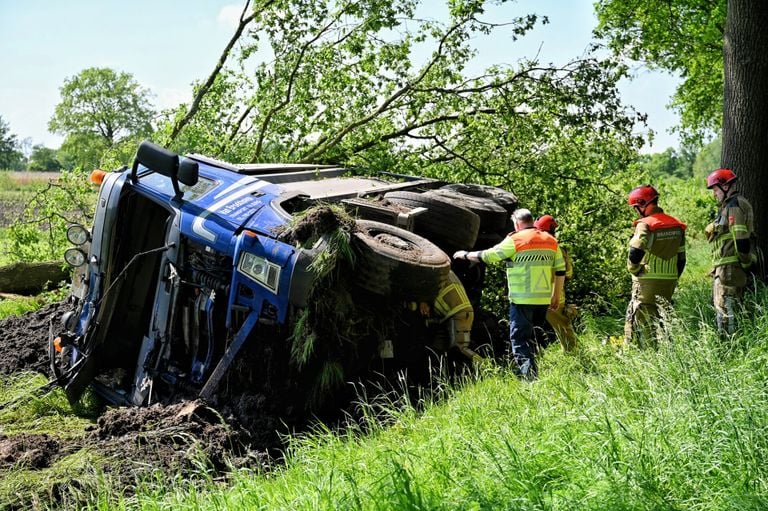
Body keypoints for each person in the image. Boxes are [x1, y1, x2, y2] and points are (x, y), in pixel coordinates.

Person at [453, 208, 565, 379]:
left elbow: (490, 255)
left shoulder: (516, 239)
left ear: (517, 223)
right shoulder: (550, 240)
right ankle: (535, 372)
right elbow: (560, 271)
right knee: (534, 336)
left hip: (522, 299)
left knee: (520, 339)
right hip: (543, 299)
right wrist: (555, 295)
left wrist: (466, 255)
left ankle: (530, 379)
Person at [625, 185, 686, 347]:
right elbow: (682, 260)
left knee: (644, 328)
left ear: (642, 204)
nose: (636, 212)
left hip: (647, 284)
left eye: (636, 208)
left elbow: (634, 253)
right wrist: (673, 278)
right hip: (670, 282)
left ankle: (649, 359)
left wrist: (635, 270)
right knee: (664, 324)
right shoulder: (677, 225)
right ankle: (669, 357)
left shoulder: (645, 224)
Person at [705, 168, 755, 335]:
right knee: (729, 312)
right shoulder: (728, 207)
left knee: (727, 315)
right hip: (726, 270)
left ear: (726, 186)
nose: (714, 194)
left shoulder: (734, 206)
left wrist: (747, 262)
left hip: (730, 272)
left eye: (716, 189)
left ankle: (728, 350)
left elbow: (740, 240)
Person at [534, 215, 577, 352]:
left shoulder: (530, 249)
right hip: (555, 297)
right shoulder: (559, 250)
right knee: (564, 328)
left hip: (531, 296)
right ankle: (573, 355)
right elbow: (568, 274)